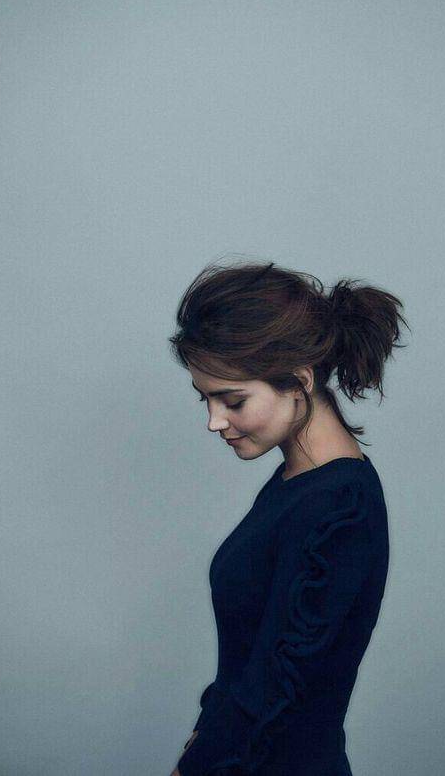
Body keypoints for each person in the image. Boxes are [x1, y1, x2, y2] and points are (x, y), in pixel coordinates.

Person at [167, 259, 409, 776]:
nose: (214, 421)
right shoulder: (298, 481)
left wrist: (197, 766)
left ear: (299, 381)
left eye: (232, 400)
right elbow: (248, 664)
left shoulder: (339, 506)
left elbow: (276, 687)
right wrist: (202, 741)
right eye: (206, 399)